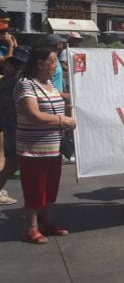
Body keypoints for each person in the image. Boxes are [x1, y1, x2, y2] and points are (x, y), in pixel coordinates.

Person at [14, 47, 76, 244]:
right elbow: (34, 115)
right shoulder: (26, 85)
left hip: (53, 148)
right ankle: (31, 228)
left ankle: (48, 222)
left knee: (50, 187)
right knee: (33, 188)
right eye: (53, 61)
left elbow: (60, 100)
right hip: (33, 149)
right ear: (40, 63)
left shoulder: (48, 84)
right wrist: (62, 120)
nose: (56, 66)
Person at [0, 45, 30, 205]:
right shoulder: (20, 82)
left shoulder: (6, 80)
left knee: (12, 163)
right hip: (18, 126)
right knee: (19, 164)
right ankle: (33, 202)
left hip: (9, 125)